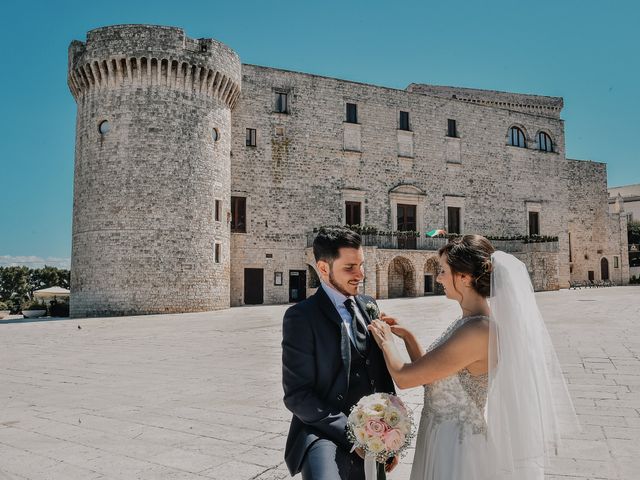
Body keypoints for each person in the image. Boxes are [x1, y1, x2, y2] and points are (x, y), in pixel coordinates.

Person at [368, 235, 578, 480]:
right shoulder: (468, 322)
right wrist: (408, 336)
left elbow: (405, 378)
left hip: (457, 445)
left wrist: (386, 341)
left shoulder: (478, 330)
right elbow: (433, 377)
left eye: (444, 271)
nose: (438, 278)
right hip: (439, 433)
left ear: (464, 278)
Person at [281, 227, 397, 479]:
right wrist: (353, 435)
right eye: (349, 268)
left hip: (373, 432)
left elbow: (381, 374)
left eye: (362, 265)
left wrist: (390, 431)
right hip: (322, 429)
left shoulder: (370, 305)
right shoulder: (301, 317)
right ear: (323, 268)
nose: (360, 274)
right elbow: (297, 395)